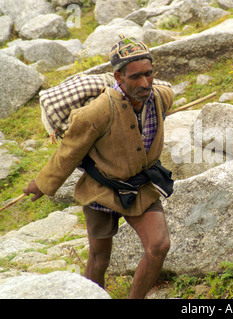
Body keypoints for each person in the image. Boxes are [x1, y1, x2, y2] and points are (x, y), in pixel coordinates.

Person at [23, 35, 175, 299]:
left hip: (140, 187)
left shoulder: (161, 96)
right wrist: (43, 184)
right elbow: (70, 151)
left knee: (159, 246)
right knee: (99, 258)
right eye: (136, 77)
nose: (145, 83)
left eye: (149, 74)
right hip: (100, 189)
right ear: (118, 77)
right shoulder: (99, 110)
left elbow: (164, 99)